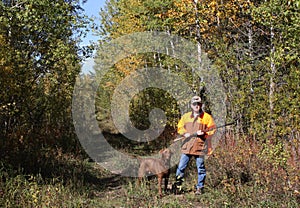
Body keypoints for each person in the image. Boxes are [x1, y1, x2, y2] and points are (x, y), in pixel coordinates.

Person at [174, 95, 216, 195]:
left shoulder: (207, 117)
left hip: (200, 147)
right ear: (191, 105)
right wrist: (185, 133)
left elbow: (213, 129)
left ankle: (200, 188)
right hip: (187, 146)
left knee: (200, 168)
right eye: (194, 104)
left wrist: (205, 133)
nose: (196, 106)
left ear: (201, 105)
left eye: (198, 104)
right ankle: (178, 187)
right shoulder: (186, 116)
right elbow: (179, 127)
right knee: (181, 167)